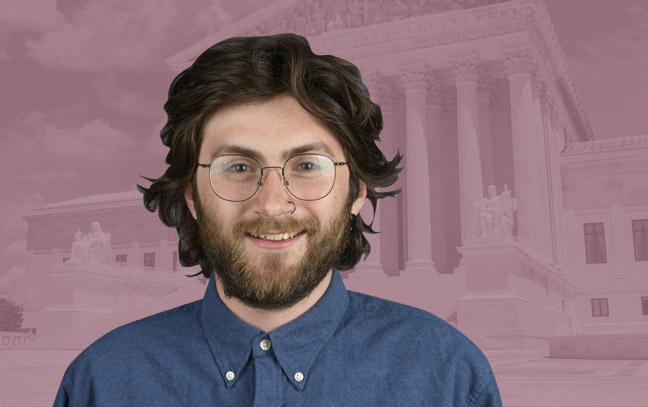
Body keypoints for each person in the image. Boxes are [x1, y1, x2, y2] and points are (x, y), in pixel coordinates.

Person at [54, 33, 502, 406]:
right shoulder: (104, 381)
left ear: (356, 193)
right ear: (191, 197)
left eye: (307, 166)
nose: (272, 204)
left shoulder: (447, 376)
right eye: (237, 167)